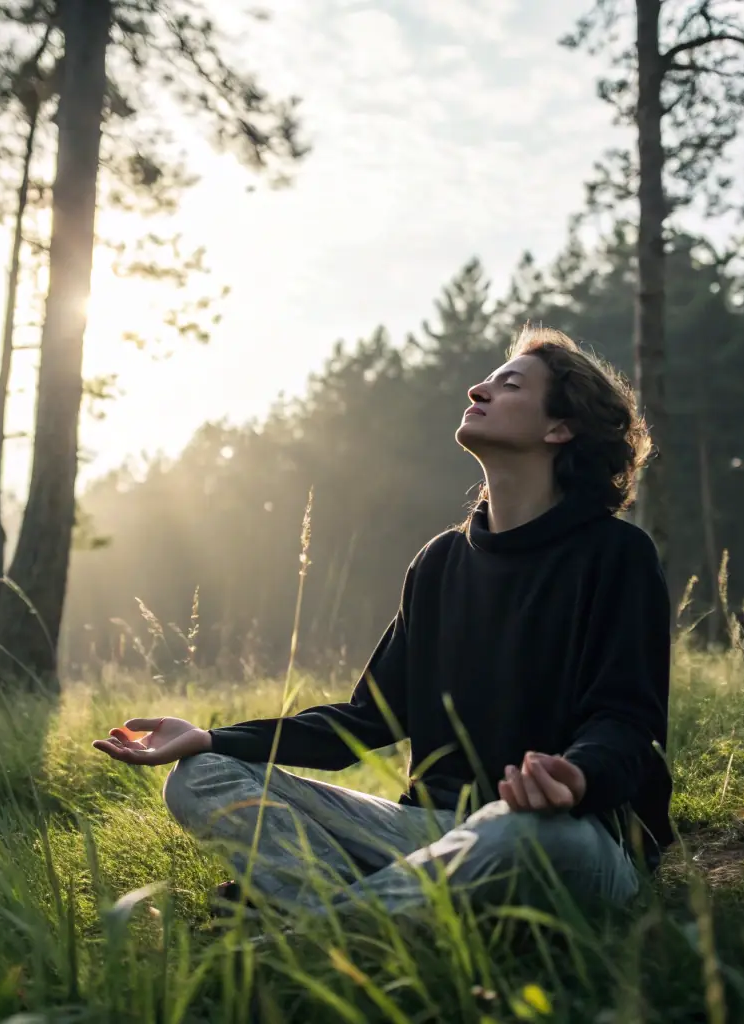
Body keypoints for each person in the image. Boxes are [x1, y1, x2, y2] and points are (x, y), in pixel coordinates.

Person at [93, 326, 673, 919]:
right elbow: (366, 719)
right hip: (423, 831)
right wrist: (214, 740)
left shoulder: (616, 555)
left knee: (518, 831)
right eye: (488, 380)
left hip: (562, 834)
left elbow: (627, 719)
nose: (478, 389)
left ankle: (309, 930)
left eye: (510, 384)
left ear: (559, 428)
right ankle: (377, 914)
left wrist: (576, 775)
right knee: (199, 778)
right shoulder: (440, 562)